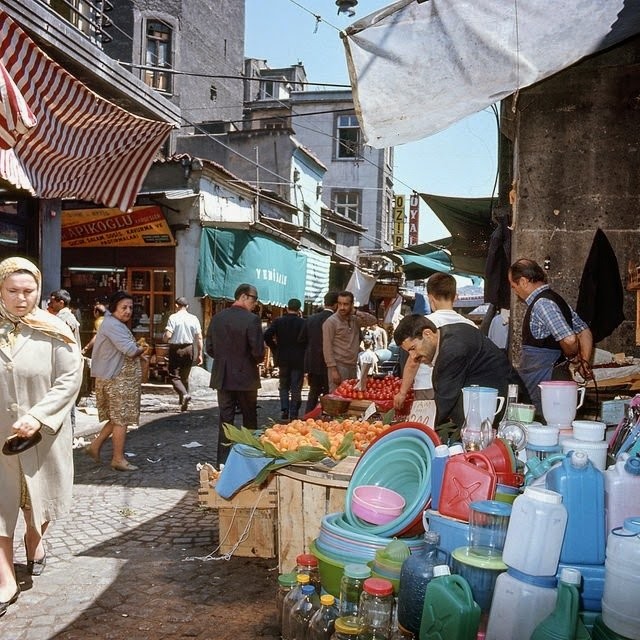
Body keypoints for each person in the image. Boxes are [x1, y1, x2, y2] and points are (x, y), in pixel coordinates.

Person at [0, 257, 82, 615]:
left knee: (40, 499)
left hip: (43, 433)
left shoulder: (56, 330)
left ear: (38, 290)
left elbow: (70, 379)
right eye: (12, 291)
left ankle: (35, 538)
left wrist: (39, 416)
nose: (21, 298)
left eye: (28, 291)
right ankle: (5, 579)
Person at [393, 314, 525, 427]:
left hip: (503, 412)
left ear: (427, 334)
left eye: (413, 348)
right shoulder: (449, 334)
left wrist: (415, 427)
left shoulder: (453, 350)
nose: (413, 357)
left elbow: (444, 400)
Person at [508, 258, 593, 412]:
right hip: (552, 381)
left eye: (514, 286)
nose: (515, 291)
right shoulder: (557, 299)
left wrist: (574, 359)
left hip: (545, 382)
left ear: (523, 281)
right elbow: (584, 330)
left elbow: (570, 339)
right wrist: (584, 362)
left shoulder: (542, 304)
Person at [394, 272, 477, 411]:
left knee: (428, 426)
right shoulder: (470, 325)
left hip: (426, 386)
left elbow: (412, 363)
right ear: (455, 296)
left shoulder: (425, 325)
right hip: (458, 386)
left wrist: (402, 393)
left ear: (430, 298)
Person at [85, 291, 149, 472]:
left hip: (119, 379)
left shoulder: (116, 324)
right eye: (124, 307)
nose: (128, 311)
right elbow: (130, 350)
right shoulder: (113, 325)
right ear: (114, 308)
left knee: (117, 418)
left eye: (130, 307)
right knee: (121, 420)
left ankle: (95, 446)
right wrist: (142, 348)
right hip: (117, 380)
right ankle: (118, 458)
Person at [205, 283, 264, 465]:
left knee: (226, 420)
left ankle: (222, 462)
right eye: (254, 299)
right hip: (245, 377)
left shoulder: (217, 318)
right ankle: (249, 460)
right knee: (249, 420)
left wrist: (225, 360)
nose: (255, 304)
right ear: (244, 297)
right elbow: (258, 353)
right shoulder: (252, 320)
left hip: (223, 376)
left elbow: (210, 348)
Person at [322, 291, 377, 392]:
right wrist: (333, 370)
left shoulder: (355, 319)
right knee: (337, 398)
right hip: (339, 365)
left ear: (352, 305)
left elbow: (373, 320)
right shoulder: (331, 322)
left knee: (351, 397)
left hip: (353, 365)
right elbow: (327, 347)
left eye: (346, 304)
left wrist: (357, 312)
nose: (342, 307)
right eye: (340, 304)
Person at [264, 298, 306, 421]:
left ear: (287, 307)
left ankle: (284, 409)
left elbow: (267, 335)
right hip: (298, 359)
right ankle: (293, 413)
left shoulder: (279, 321)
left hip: (282, 357)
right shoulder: (303, 323)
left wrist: (274, 347)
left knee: (283, 385)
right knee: (296, 387)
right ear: (299, 309)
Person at [298, 291, 338, 413]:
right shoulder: (336, 320)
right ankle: (326, 418)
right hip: (330, 364)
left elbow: (301, 339)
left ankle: (308, 416)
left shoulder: (311, 319)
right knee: (329, 393)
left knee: (313, 392)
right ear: (336, 304)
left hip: (313, 362)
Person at [163, 296, 203, 411]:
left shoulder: (173, 317)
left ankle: (184, 395)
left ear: (176, 305)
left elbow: (168, 335)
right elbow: (199, 337)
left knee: (174, 376)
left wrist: (165, 338)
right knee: (185, 377)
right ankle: (183, 403)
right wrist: (200, 354)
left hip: (176, 349)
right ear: (187, 306)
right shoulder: (194, 318)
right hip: (189, 348)